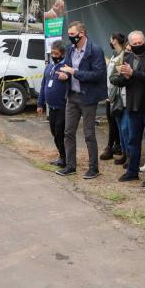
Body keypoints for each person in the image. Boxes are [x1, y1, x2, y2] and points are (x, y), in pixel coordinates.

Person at [57, 21, 107, 179]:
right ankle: (70, 166)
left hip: (88, 97)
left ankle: (94, 168)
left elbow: (98, 74)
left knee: (89, 134)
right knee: (68, 132)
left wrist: (74, 72)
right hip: (72, 96)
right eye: (69, 34)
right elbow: (66, 68)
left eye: (73, 35)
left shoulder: (95, 50)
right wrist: (65, 75)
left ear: (82, 34)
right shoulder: (70, 50)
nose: (70, 37)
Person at [112, 31, 145, 186]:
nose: (138, 46)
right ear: (130, 44)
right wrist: (125, 77)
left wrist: (133, 73)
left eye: (141, 43)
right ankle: (132, 171)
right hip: (132, 106)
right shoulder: (126, 57)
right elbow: (120, 81)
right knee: (133, 141)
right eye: (135, 44)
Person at [37, 40, 69, 167]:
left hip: (63, 106)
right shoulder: (49, 67)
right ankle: (62, 156)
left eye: (56, 54)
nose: (53, 56)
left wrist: (66, 76)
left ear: (62, 54)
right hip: (51, 107)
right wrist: (40, 104)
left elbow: (71, 80)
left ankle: (65, 158)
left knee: (60, 132)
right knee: (54, 132)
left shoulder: (66, 66)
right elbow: (43, 85)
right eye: (52, 53)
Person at [103, 32, 128, 163]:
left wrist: (111, 96)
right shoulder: (114, 56)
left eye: (111, 39)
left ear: (115, 41)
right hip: (110, 94)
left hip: (117, 96)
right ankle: (117, 148)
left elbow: (117, 77)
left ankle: (120, 151)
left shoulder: (123, 55)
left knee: (119, 125)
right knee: (115, 124)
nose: (110, 41)